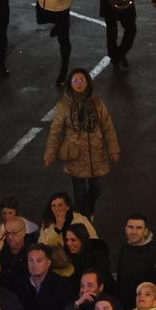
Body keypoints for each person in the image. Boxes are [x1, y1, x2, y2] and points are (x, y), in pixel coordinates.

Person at [42, 68, 120, 217]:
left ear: (87, 83)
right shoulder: (64, 105)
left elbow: (107, 126)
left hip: (97, 154)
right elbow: (56, 130)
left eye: (82, 80)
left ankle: (87, 213)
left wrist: (113, 149)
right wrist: (50, 153)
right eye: (75, 81)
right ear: (70, 84)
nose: (79, 84)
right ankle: (85, 219)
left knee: (96, 189)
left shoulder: (97, 103)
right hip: (76, 155)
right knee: (79, 193)